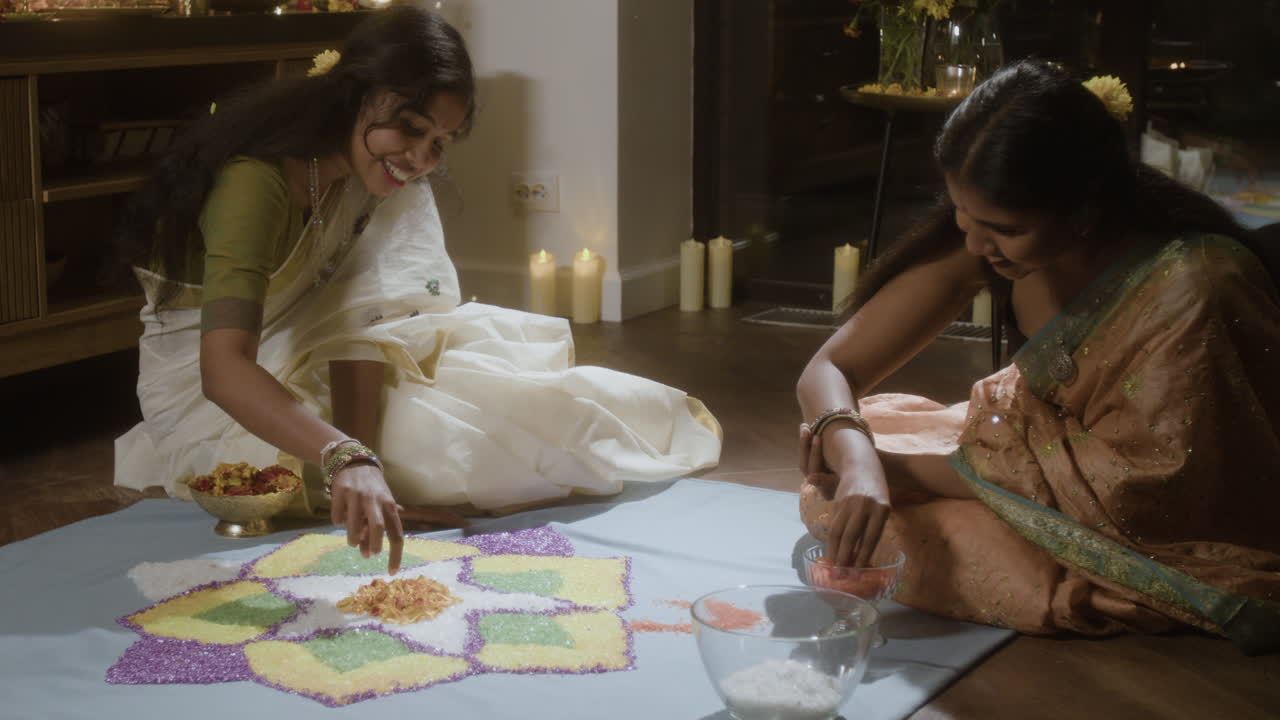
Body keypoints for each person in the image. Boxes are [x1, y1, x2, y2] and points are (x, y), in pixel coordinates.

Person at [113, 5, 721, 575]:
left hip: (311, 369)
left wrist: (366, 463)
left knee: (531, 410)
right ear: (352, 95)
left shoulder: (373, 179)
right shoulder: (257, 183)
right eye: (408, 128)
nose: (419, 158)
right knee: (469, 453)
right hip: (217, 396)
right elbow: (222, 371)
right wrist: (343, 462)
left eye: (438, 143)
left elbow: (364, 327)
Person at [795, 60, 1280, 653]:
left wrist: (883, 470)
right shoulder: (993, 230)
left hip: (1135, 523)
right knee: (860, 459)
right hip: (1027, 459)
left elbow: (1145, 493)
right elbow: (829, 371)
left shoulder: (1194, 285)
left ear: (1085, 209)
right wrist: (859, 463)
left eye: (1000, 228)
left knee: (892, 528)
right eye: (960, 214)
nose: (973, 243)